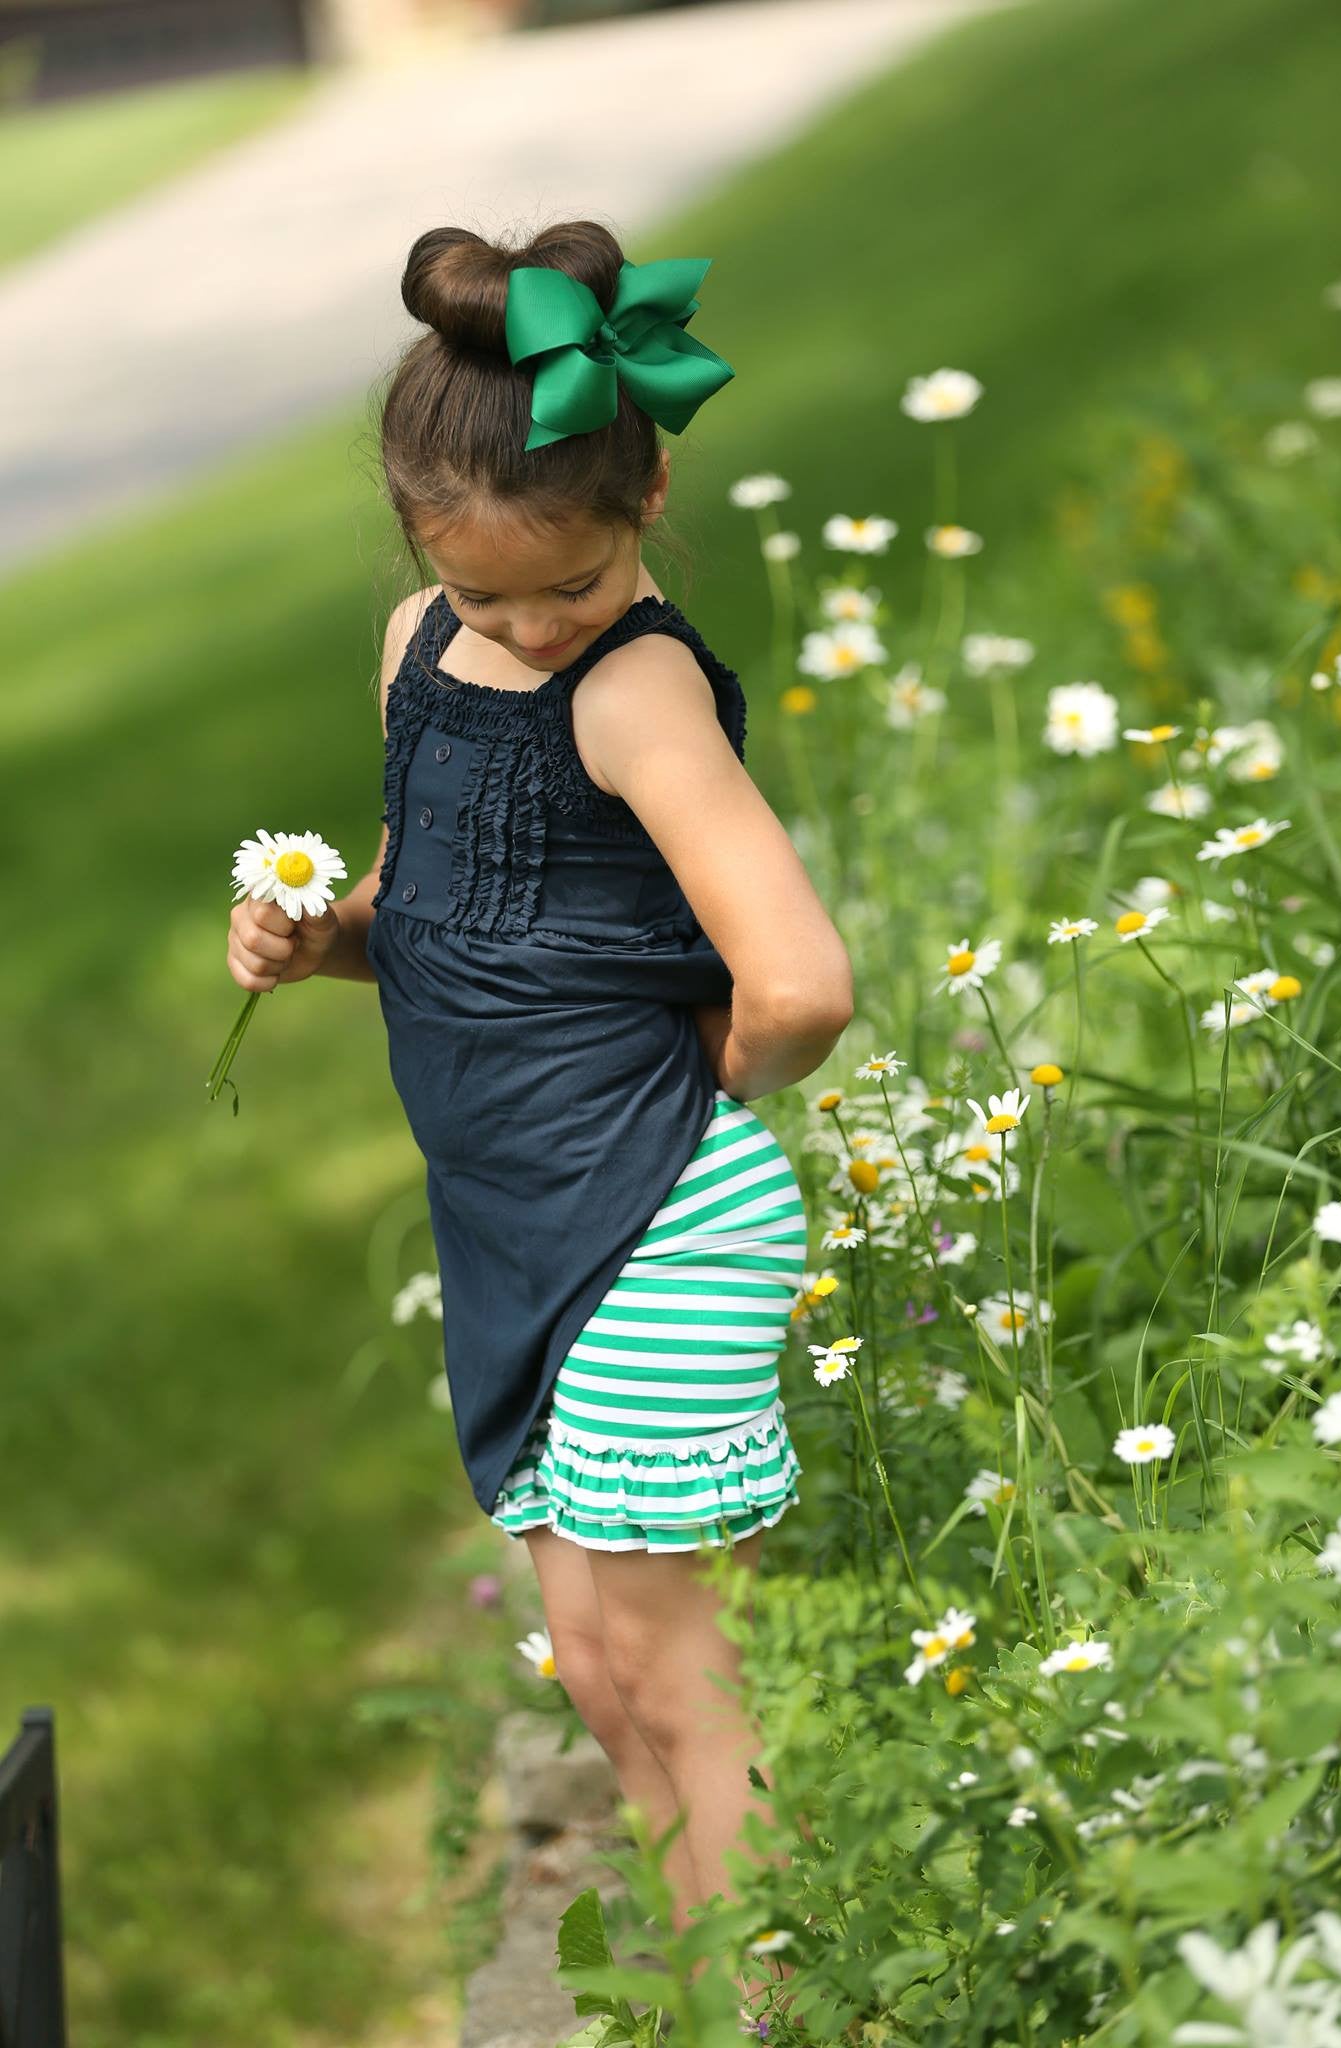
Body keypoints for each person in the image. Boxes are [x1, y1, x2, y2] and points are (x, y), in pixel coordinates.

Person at [225, 219, 853, 2004]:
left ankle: (768, 1998)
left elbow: (797, 981)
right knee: (585, 1663)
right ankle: (702, 1978)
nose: (520, 625)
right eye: (482, 592)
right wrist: (322, 940)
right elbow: (440, 916)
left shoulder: (639, 688)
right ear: (420, 543)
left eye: (556, 591)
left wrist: (678, 1103)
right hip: (519, 1219)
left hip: (652, 1217)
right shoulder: (424, 650)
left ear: (644, 498)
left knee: (660, 1658)